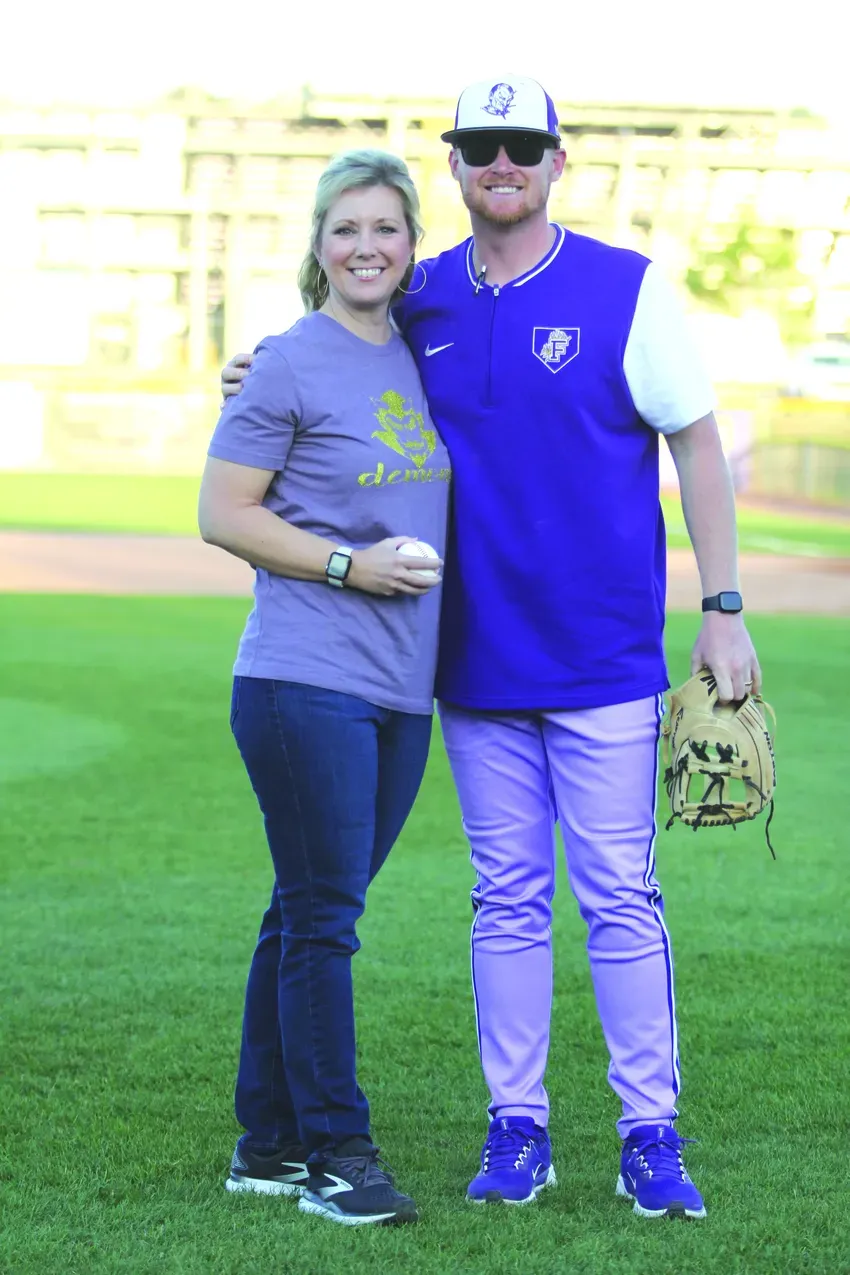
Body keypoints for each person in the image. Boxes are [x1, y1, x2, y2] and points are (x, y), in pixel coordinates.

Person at [221, 75, 762, 1221]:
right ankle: (517, 1125)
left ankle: (649, 1131)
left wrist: (722, 606)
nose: (501, 164)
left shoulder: (626, 288)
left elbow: (698, 447)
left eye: (522, 145)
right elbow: (327, 342)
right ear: (456, 167)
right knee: (506, 900)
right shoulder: (419, 293)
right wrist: (254, 368)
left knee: (619, 898)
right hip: (468, 664)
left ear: (557, 161)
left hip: (605, 659)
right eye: (481, 147)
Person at [199, 148, 450, 1227]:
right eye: (345, 228)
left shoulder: (424, 351)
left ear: (411, 244)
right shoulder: (289, 361)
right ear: (318, 243)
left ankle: (266, 1144)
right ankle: (338, 1156)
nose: (365, 246)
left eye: (385, 227)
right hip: (304, 679)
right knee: (324, 921)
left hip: (401, 688)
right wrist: (350, 565)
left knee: (306, 910)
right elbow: (223, 513)